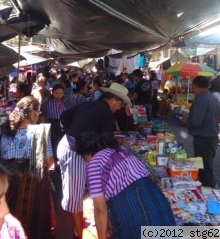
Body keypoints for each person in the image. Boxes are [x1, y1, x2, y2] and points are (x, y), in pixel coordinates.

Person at [58, 83, 131, 239]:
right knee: (75, 197)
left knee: (79, 194)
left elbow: (64, 117)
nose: (119, 108)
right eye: (120, 104)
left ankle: (80, 231)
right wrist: (78, 138)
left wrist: (73, 133)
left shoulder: (89, 104)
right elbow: (107, 144)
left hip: (70, 146)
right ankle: (79, 235)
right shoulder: (107, 115)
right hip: (73, 151)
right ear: (113, 100)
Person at [75, 131, 176, 239]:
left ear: (86, 153)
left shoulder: (94, 164)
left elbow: (100, 210)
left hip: (130, 209)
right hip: (156, 200)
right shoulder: (123, 149)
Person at [0, 96, 56, 238]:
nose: (38, 117)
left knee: (14, 213)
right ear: (31, 113)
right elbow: (50, 162)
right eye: (37, 113)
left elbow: (4, 158)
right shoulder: (40, 133)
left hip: (12, 181)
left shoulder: (7, 132)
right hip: (35, 182)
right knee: (37, 217)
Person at [179, 76, 220, 188]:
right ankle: (206, 188)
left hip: (203, 139)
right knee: (205, 165)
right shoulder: (213, 98)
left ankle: (208, 191)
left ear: (196, 86)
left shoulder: (202, 99)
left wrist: (186, 121)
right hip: (211, 137)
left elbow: (196, 121)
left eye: (193, 87)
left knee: (204, 168)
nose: (192, 89)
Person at [40, 84, 73, 159]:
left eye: (61, 93)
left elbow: (71, 112)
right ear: (52, 92)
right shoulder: (47, 102)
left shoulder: (67, 102)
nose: (59, 95)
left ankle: (63, 157)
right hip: (51, 125)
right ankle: (55, 159)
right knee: (53, 143)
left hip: (63, 125)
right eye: (56, 93)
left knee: (63, 142)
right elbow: (42, 114)